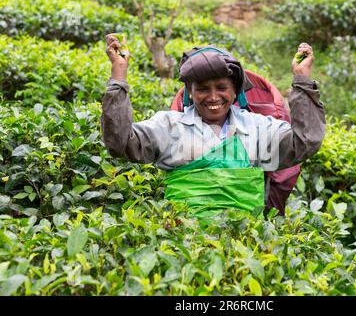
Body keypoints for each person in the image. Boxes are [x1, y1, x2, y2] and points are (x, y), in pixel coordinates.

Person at [102, 34, 326, 219]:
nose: (213, 97)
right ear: (190, 91)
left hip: (247, 250)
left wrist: (302, 79)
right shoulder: (170, 127)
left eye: (221, 87)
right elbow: (121, 143)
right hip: (183, 247)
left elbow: (303, 142)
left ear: (235, 91)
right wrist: (118, 76)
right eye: (202, 89)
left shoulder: (256, 128)